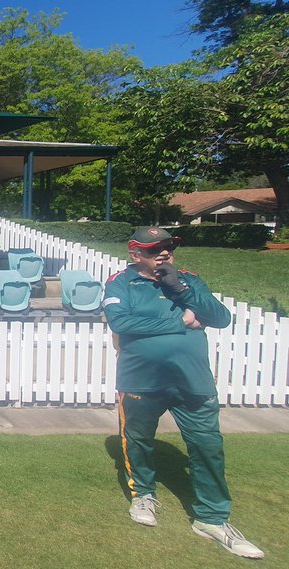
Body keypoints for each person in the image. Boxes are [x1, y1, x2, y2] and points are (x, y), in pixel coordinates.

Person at [103, 227, 263, 559]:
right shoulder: (120, 283)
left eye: (168, 247)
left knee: (208, 446)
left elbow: (220, 317)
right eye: (154, 249)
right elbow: (123, 324)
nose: (163, 252)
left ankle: (212, 518)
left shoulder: (189, 280)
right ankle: (143, 495)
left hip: (193, 380)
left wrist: (181, 288)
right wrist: (182, 323)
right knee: (138, 439)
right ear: (136, 254)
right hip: (141, 379)